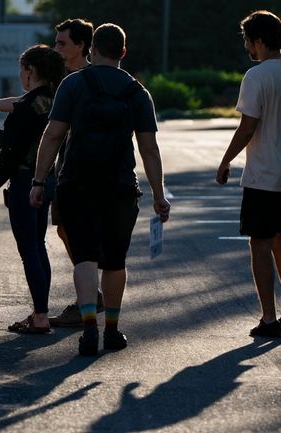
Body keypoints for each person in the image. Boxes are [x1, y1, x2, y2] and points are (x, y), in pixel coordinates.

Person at [30, 23, 170, 355]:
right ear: (123, 52)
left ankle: (89, 326)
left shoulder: (73, 84)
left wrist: (39, 181)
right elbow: (149, 149)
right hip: (120, 187)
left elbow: (53, 135)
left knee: (85, 258)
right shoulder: (138, 93)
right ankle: (113, 330)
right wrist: (159, 195)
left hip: (76, 184)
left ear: (92, 50)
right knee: (115, 261)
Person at [0, 18, 105, 327]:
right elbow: (25, 117)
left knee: (35, 249)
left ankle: (47, 313)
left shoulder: (78, 83)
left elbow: (18, 141)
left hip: (46, 176)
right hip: (49, 176)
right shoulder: (55, 93)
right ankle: (64, 305)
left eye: (62, 43)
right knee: (44, 243)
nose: (57, 48)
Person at [216, 10, 281, 338]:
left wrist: (226, 160)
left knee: (259, 242)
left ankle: (269, 318)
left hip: (266, 173)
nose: (246, 46)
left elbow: (248, 127)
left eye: (247, 40)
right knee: (279, 236)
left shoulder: (257, 76)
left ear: (258, 41)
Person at [0, 44, 65, 334]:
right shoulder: (53, 100)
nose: (20, 75)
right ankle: (41, 310)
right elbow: (28, 139)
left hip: (25, 182)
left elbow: (13, 152)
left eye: (22, 69)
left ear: (30, 71)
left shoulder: (27, 107)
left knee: (29, 249)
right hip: (47, 178)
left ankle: (40, 317)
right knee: (38, 246)